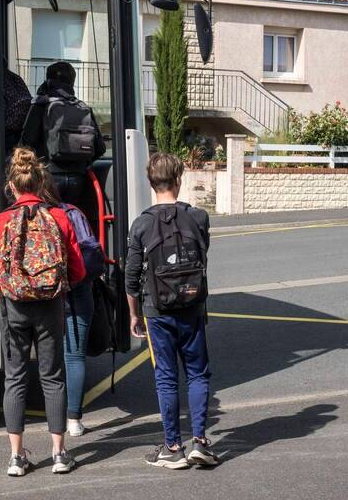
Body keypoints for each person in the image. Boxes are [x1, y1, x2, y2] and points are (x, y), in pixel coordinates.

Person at [0, 148, 86, 477]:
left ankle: (16, 457)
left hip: (14, 309)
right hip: (51, 306)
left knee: (15, 378)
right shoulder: (59, 218)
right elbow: (78, 271)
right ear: (41, 183)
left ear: (12, 185)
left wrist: (10, 284)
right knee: (53, 377)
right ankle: (59, 453)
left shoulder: (0, 222)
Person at [124, 152, 219, 469]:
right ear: (179, 180)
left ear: (151, 183)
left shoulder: (142, 224)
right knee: (198, 373)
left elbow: (131, 277)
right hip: (192, 306)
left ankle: (172, 447)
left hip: (157, 309)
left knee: (166, 378)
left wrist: (134, 314)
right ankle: (201, 443)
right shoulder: (199, 218)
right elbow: (202, 258)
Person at [40, 175, 97, 438]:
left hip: (42, 297)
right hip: (77, 292)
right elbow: (92, 253)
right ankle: (73, 419)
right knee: (74, 357)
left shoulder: (31, 217)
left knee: (49, 360)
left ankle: (54, 420)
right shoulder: (73, 213)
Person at [20, 61, 106, 206]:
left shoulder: (42, 105)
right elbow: (100, 148)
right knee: (70, 217)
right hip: (78, 178)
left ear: (48, 80)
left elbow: (27, 141)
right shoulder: (82, 107)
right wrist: (80, 162)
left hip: (48, 176)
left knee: (51, 221)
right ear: (72, 82)